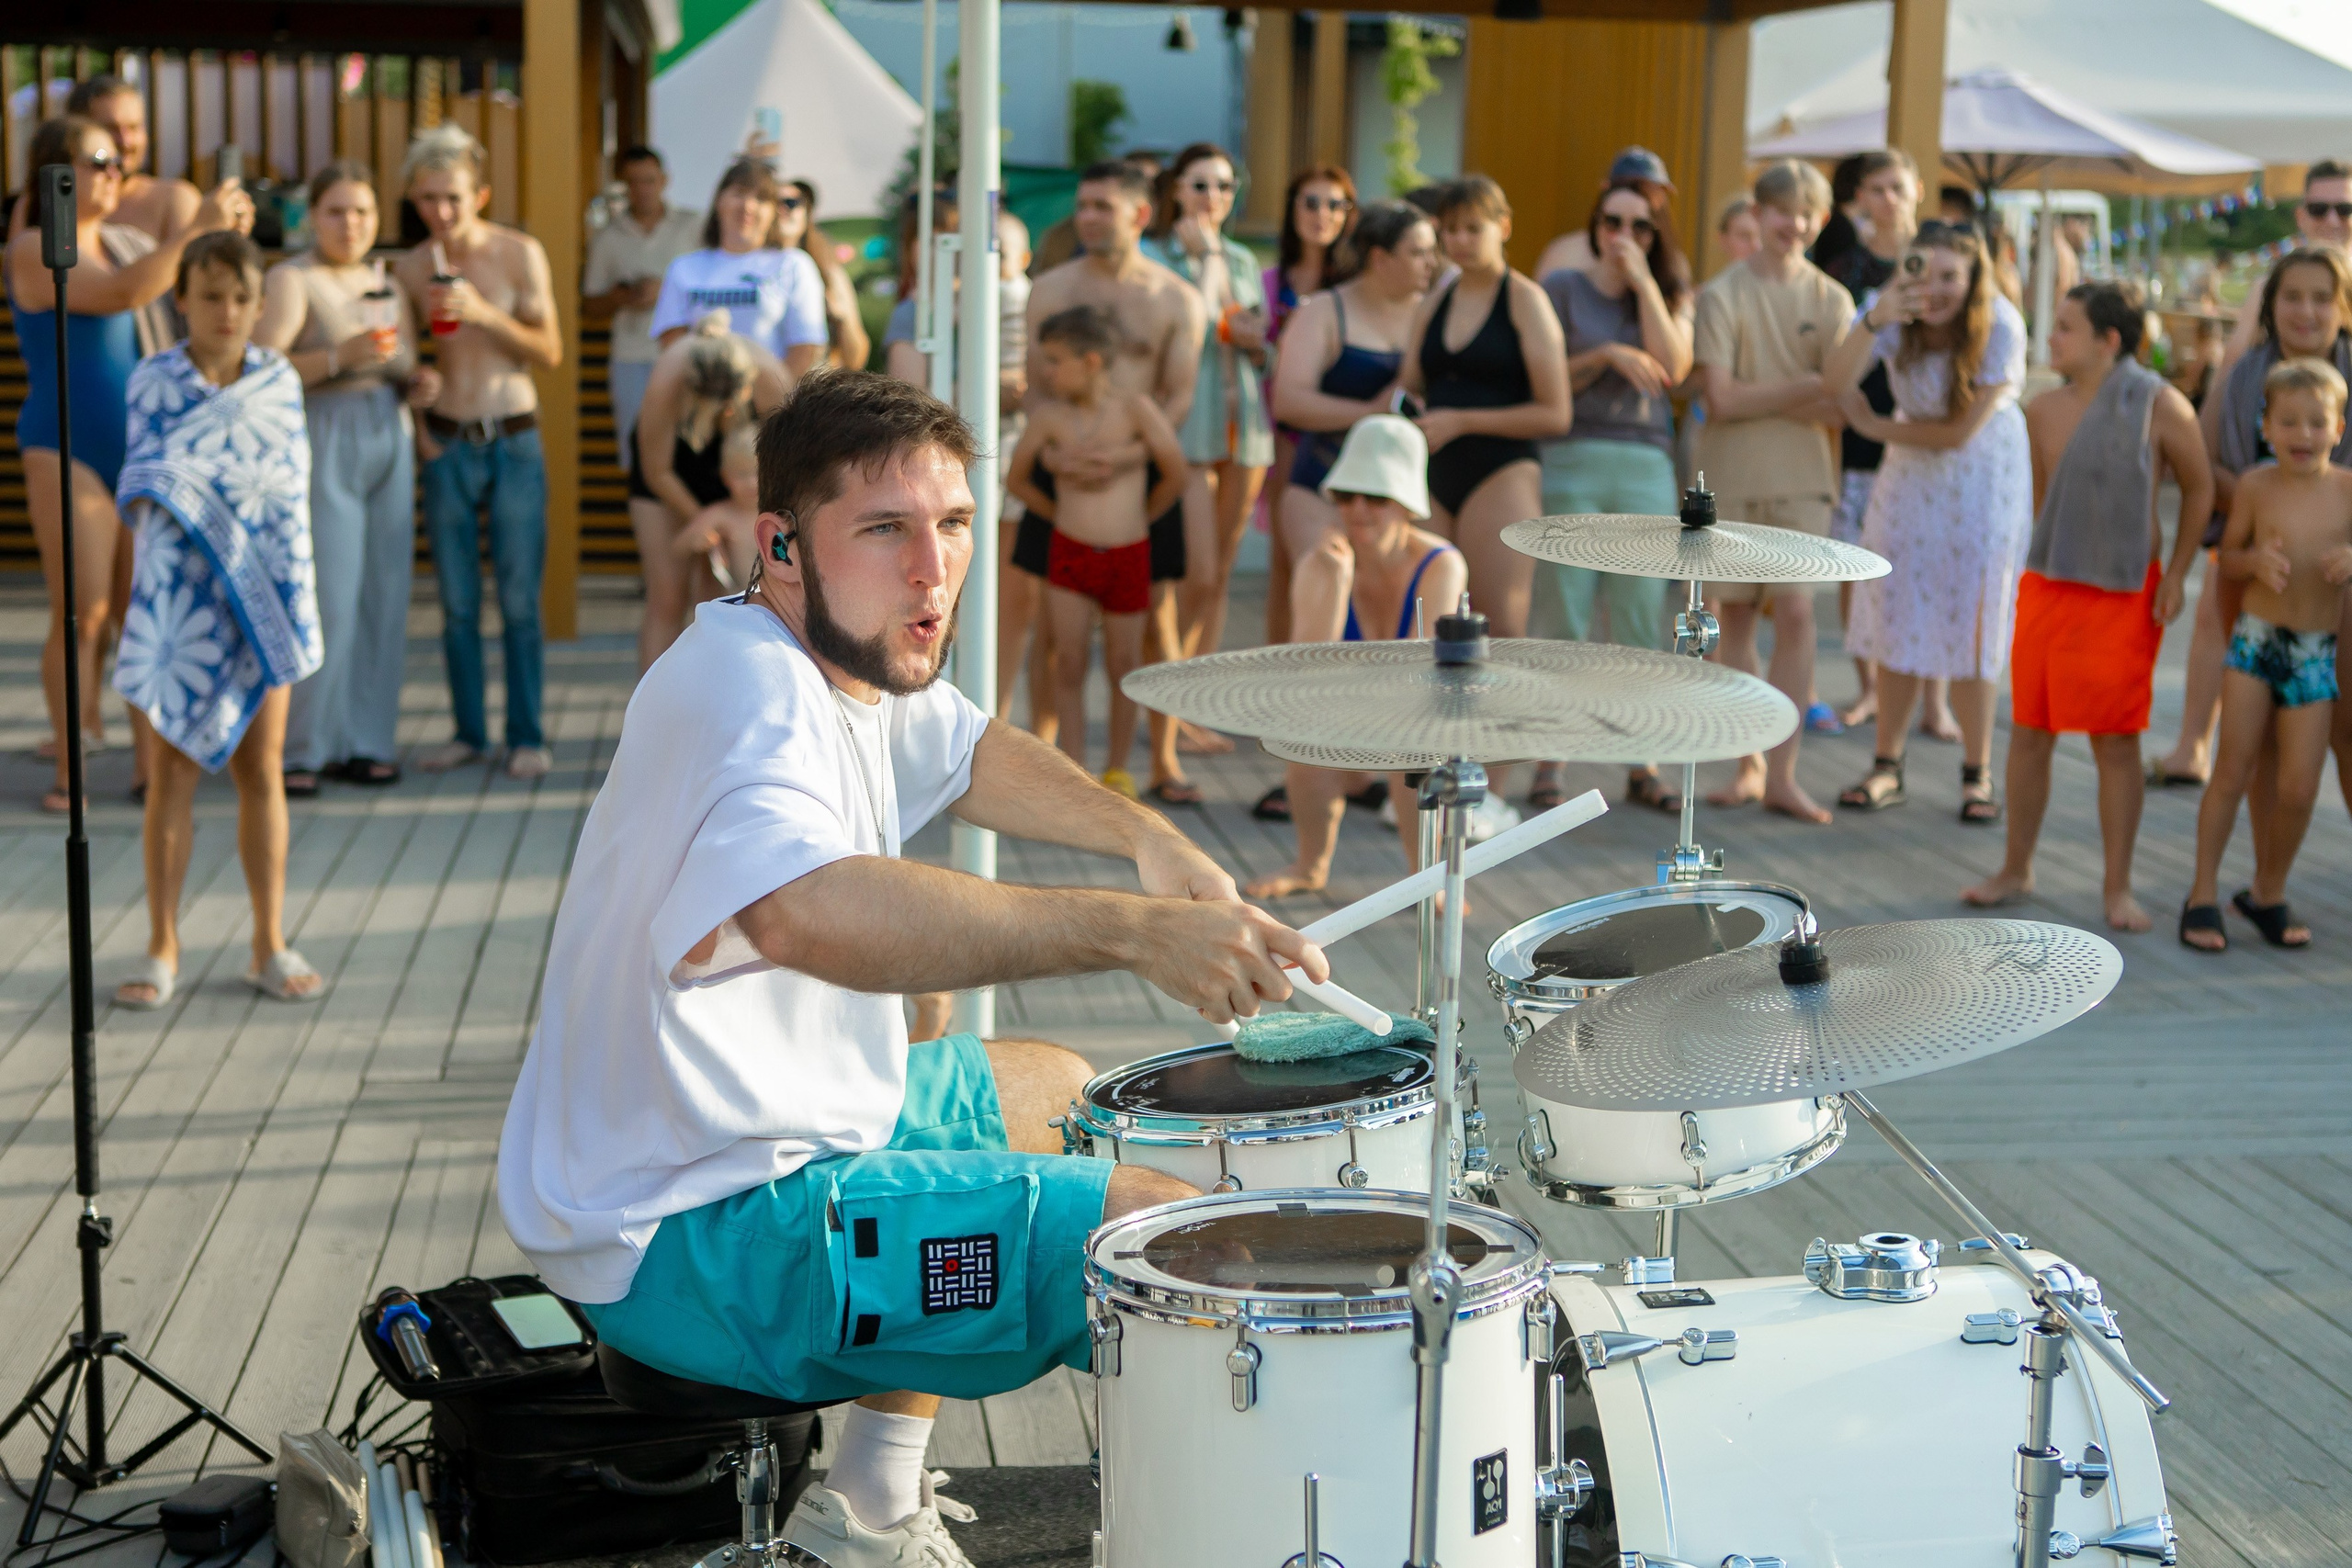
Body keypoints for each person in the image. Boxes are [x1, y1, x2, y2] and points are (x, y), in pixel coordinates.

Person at [497, 368, 1327, 1564]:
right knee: (1179, 1242)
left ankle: (873, 1507)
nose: (933, 569)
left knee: (1051, 1085)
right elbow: (801, 910)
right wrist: (1129, 928)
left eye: (951, 525)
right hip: (696, 1236)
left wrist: (1144, 834)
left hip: (734, 1152)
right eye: (885, 529)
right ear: (779, 544)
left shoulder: (843, 649)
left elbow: (974, 745)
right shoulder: (743, 688)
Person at [7, 115, 252, 815]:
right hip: (66, 444)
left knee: (141, 613)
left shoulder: (123, 242)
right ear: (57, 171)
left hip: (137, 448)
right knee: (84, 612)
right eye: (98, 161)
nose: (115, 173)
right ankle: (70, 769)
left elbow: (174, 288)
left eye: (118, 163)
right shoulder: (33, 246)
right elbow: (121, 295)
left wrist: (215, 229)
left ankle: (149, 770)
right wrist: (194, 223)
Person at [109, 233, 324, 1009]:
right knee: (169, 771)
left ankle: (269, 940)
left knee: (260, 769)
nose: (226, 312)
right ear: (182, 301)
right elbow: (144, 478)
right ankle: (162, 942)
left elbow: (284, 493)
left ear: (262, 305)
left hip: (264, 600)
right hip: (181, 608)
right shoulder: (152, 381)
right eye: (210, 296)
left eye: (241, 298)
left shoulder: (281, 383)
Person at [1962, 283, 2211, 931]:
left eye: (2066, 328)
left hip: (2126, 591)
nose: (2052, 338)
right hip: (2051, 584)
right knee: (2030, 732)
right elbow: (2047, 507)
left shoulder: (2161, 404)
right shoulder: (2040, 409)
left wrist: (2179, 572)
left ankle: (2117, 886)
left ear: (2110, 340)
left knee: (2116, 740)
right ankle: (2017, 866)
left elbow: (2201, 487)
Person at [1829, 221, 2032, 824]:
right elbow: (1834, 381)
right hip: (1909, 478)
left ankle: (1977, 773)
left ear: (1973, 278)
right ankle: (1886, 764)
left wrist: (1874, 428)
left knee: (1973, 613)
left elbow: (1956, 433)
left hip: (1981, 475)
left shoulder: (2000, 323)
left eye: (1952, 275)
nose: (1938, 288)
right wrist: (1874, 318)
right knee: (1897, 604)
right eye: (1927, 272)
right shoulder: (1891, 314)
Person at [1023, 159, 1208, 806]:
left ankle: (1157, 762)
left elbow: (1178, 395)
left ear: (1140, 214)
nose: (1089, 216)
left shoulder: (1176, 299)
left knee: (1155, 627)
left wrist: (1130, 454)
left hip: (1141, 475)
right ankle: (1060, 767)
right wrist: (1058, 458)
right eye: (1084, 204)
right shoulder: (1049, 290)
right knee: (1055, 637)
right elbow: (1037, 386)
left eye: (1104, 205)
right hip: (1066, 474)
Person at [255, 161, 439, 795]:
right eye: (336, 210)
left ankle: (367, 741)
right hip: (322, 429)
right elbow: (263, 365)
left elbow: (403, 355)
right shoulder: (291, 278)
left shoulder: (383, 279)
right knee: (328, 593)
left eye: (362, 210)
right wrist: (339, 356)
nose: (350, 223)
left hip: (387, 430)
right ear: (312, 215)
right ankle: (304, 746)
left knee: (383, 595)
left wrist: (418, 382)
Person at [1399, 175, 1572, 831]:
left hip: (1500, 464)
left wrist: (1466, 419)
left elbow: (1555, 411)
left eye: (1473, 227)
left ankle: (1494, 785)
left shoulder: (1525, 300)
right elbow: (1412, 382)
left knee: (1500, 626)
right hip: (1436, 464)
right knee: (1429, 627)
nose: (1460, 241)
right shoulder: (1437, 298)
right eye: (1449, 230)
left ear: (1504, 225)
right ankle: (1434, 770)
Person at [393, 125, 565, 781]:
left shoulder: (519, 253)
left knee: (520, 599)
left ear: (481, 194)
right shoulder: (410, 267)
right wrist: (418, 405)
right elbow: (406, 362)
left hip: (514, 435)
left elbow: (549, 351)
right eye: (430, 198)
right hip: (448, 441)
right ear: (414, 197)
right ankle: (469, 731)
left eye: (455, 198)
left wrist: (483, 312)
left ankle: (526, 733)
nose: (442, 211)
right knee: (458, 603)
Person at [1258, 201, 1438, 822]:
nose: (1431, 263)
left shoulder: (1430, 313)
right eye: (1419, 251)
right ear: (1380, 256)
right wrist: (1377, 415)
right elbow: (1291, 400)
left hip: (1403, 502)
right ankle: (1305, 754)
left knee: (1411, 620)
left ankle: (1385, 763)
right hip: (1322, 487)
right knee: (1325, 579)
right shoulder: (1324, 310)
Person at [2153, 246, 2352, 789]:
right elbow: (2202, 466)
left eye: (2320, 298)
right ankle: (2267, 878)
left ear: (2343, 306)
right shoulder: (2244, 376)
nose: (2305, 311)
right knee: (2261, 746)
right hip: (2258, 575)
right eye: (2291, 296)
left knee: (2347, 736)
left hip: (2340, 582)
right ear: (2271, 305)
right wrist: (2266, 498)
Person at [1524, 176, 1692, 816]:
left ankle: (1641, 761)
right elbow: (1537, 372)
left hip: (1644, 459)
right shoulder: (1563, 289)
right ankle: (1550, 759)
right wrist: (1606, 355)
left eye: (1640, 225)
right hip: (1571, 452)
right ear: (1595, 227)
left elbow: (1674, 366)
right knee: (1562, 610)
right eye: (1613, 223)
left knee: (1638, 615)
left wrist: (1646, 283)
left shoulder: (1668, 291)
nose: (1624, 236)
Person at [1245, 417, 1463, 898]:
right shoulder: (1321, 562)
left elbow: (1421, 674)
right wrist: (1337, 585)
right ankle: (1309, 864)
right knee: (1301, 735)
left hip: (1414, 702)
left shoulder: (1441, 563)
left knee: (1416, 742)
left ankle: (1425, 877)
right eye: (1346, 496)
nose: (1358, 510)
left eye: (1376, 497)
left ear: (1407, 505)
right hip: (1347, 696)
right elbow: (1306, 674)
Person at [1690, 160, 1848, 823]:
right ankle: (1747, 765)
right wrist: (1807, 389)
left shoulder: (1832, 299)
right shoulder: (1722, 294)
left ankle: (1783, 771)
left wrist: (1808, 396)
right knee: (1736, 622)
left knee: (1799, 615)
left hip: (1805, 478)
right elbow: (1719, 398)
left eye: (1808, 213)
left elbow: (1842, 407)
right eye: (1784, 211)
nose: (1796, 224)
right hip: (1731, 474)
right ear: (1758, 214)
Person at [2179, 358, 2352, 954]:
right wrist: (2254, 562)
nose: (2302, 434)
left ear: (2338, 427)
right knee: (2233, 767)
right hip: (2256, 642)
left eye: (2316, 422)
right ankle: (2202, 890)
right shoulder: (2255, 485)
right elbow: (2226, 557)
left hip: (2313, 651)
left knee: (2301, 786)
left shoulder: (2347, 488)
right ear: (2266, 427)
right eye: (2289, 422)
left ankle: (2267, 889)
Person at [1005, 306, 1187, 796]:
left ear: (1090, 362)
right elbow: (1016, 479)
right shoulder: (1050, 418)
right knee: (1068, 660)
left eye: (1055, 361)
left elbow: (1176, 470)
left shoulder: (1135, 410)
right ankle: (1075, 769)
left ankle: (1117, 767)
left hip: (1129, 552)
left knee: (1125, 662)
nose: (1045, 372)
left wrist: (1142, 517)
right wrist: (1057, 510)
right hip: (1070, 552)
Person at [1142, 144, 1273, 748]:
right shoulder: (1157, 255)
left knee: (1218, 575)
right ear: (1176, 190)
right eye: (1201, 186)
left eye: (1225, 185)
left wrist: (1252, 337)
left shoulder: (1243, 256)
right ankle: (1170, 698)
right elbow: (1195, 322)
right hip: (1188, 434)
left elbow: (1257, 341)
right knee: (1191, 573)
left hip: (1242, 428)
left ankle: (1189, 699)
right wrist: (1211, 266)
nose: (1214, 198)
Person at [1814, 150, 1945, 738]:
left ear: (1918, 188)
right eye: (1875, 188)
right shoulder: (1844, 264)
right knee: (1855, 563)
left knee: (1932, 566)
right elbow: (1833, 348)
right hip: (1862, 431)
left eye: (1897, 186)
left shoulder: (1943, 256)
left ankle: (1936, 701)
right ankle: (1870, 689)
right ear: (1859, 198)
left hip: (1929, 432)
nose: (1888, 198)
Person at [629, 317, 794, 668]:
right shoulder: (667, 381)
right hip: (671, 472)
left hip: (743, 471)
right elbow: (657, 471)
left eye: (733, 409)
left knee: (729, 597)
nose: (727, 415)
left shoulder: (770, 378)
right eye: (715, 412)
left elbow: (795, 463)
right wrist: (707, 523)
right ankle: (654, 712)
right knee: (667, 598)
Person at [1261, 164, 1359, 648]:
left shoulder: (1359, 282)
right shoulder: (1268, 281)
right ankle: (1281, 672)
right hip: (1283, 434)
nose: (1323, 214)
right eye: (1311, 202)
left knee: (1347, 558)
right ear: (1292, 210)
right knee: (1288, 562)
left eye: (1335, 204)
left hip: (1348, 437)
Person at [650, 158, 827, 380]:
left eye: (761, 198)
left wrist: (770, 404)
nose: (748, 206)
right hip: (700, 399)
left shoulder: (794, 265)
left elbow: (805, 349)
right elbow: (671, 346)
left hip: (770, 405)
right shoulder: (683, 268)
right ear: (718, 202)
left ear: (774, 211)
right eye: (739, 193)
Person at [582, 145, 702, 462]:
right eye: (633, 182)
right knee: (636, 451)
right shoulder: (607, 237)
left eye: (648, 180)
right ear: (624, 186)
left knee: (690, 451)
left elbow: (715, 287)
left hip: (686, 352)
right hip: (630, 355)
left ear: (664, 180)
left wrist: (666, 291)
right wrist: (622, 297)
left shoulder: (693, 227)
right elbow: (590, 305)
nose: (642, 190)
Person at [2217, 161, 2351, 374]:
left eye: (2345, 209)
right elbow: (2231, 368)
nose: (2332, 220)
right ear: (2301, 217)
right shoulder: (2269, 286)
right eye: (2319, 209)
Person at [1532, 147, 1685, 291]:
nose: (1626, 235)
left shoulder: (1673, 266)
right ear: (1607, 193)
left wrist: (1645, 286)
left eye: (1655, 194)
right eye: (1613, 222)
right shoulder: (1564, 255)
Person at [782, 177, 872, 371]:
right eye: (776, 202)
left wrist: (843, 320)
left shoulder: (828, 271)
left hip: (812, 389)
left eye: (794, 202)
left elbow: (856, 359)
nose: (785, 209)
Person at [671, 423, 763, 590]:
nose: (751, 483)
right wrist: (700, 540)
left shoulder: (781, 511)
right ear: (725, 476)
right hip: (737, 602)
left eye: (757, 472)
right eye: (741, 474)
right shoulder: (720, 514)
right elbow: (678, 547)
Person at [1713, 193, 1760, 270]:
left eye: (1762, 236)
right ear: (1723, 240)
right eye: (1745, 236)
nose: (1756, 246)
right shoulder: (1717, 282)